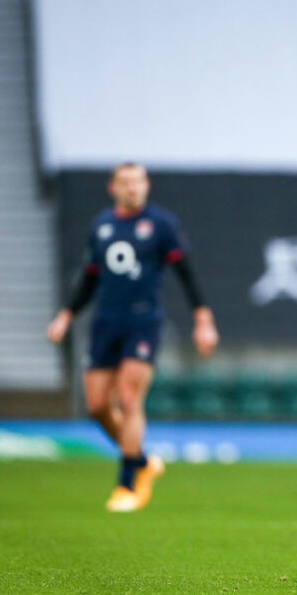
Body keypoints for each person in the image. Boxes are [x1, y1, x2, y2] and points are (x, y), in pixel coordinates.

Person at [47, 162, 219, 512]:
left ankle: (126, 484)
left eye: (138, 181)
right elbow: (89, 277)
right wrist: (66, 315)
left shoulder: (161, 225)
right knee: (97, 406)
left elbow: (187, 274)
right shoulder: (103, 225)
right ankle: (141, 460)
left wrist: (203, 320)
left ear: (146, 185)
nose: (132, 188)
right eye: (125, 182)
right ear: (113, 188)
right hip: (105, 322)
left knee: (128, 397)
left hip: (143, 321)